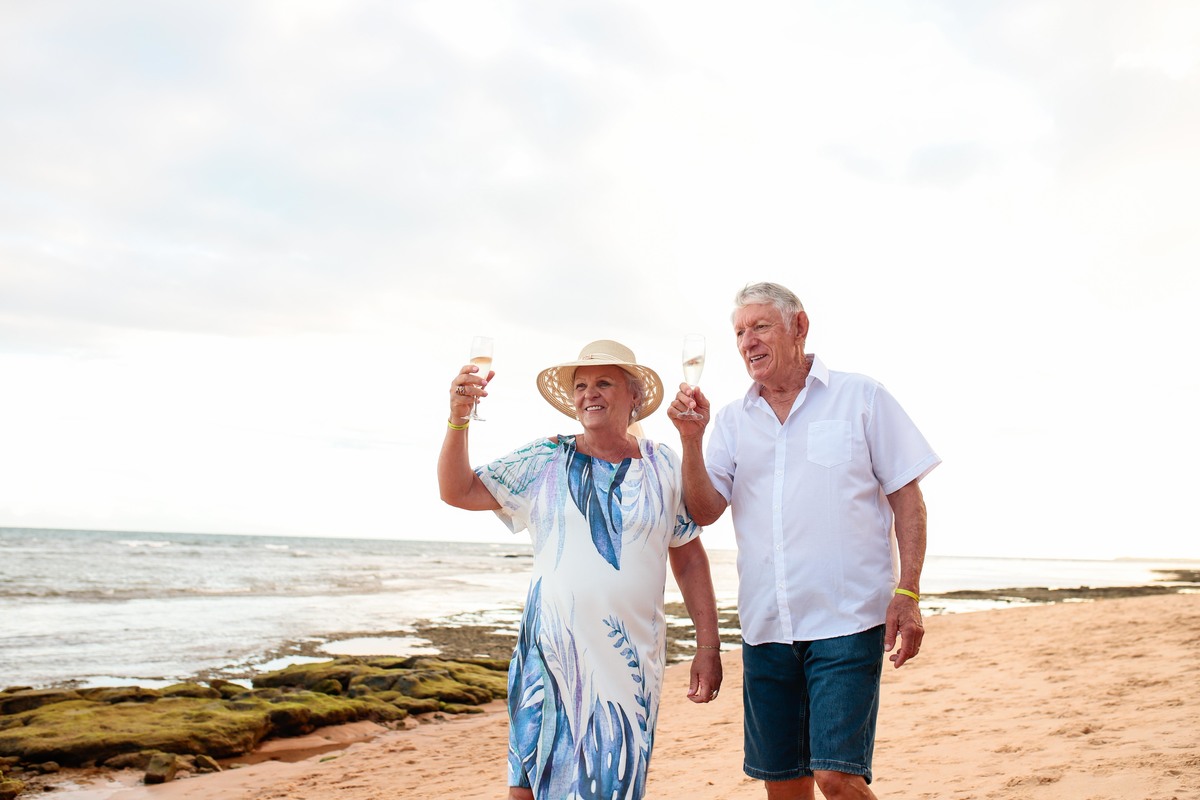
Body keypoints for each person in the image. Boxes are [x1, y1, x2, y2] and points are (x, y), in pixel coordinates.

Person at [669, 283, 940, 800]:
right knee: (785, 790)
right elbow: (704, 511)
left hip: (848, 621)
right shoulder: (728, 421)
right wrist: (690, 439)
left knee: (837, 779)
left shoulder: (861, 396)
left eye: (760, 326)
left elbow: (909, 499)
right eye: (740, 332)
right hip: (766, 628)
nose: (748, 341)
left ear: (799, 327)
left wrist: (908, 592)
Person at [438, 339, 723, 800]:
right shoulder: (546, 457)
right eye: (582, 385)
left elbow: (689, 556)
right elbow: (457, 489)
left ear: (633, 397)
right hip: (547, 661)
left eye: (604, 382)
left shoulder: (663, 464)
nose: (590, 393)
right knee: (526, 793)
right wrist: (459, 417)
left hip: (625, 671)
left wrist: (708, 645)